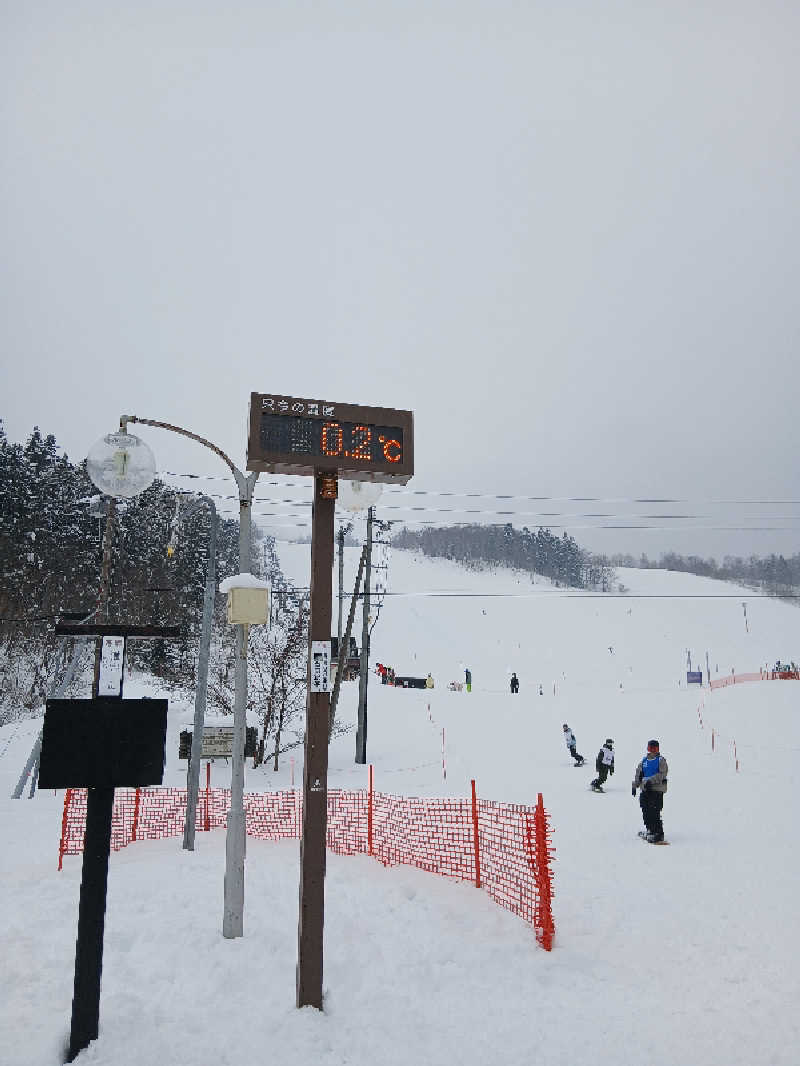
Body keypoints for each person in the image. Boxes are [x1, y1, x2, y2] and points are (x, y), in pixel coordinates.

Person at [632, 739, 669, 842]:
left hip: (656, 790)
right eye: (650, 748)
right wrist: (635, 785)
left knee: (654, 811)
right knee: (645, 810)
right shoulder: (644, 761)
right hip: (645, 790)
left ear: (658, 749)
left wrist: (650, 781)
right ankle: (650, 830)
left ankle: (658, 833)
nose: (652, 750)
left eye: (654, 749)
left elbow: (663, 774)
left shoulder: (661, 760)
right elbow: (639, 774)